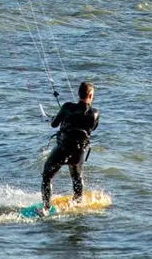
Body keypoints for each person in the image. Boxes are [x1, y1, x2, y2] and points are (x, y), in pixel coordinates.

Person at [40, 81, 100, 209]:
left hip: (63, 150)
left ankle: (45, 208)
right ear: (89, 96)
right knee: (77, 177)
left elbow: (54, 124)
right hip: (79, 153)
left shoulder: (67, 107)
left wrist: (57, 118)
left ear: (79, 94)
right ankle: (78, 203)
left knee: (47, 176)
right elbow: (92, 128)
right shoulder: (95, 113)